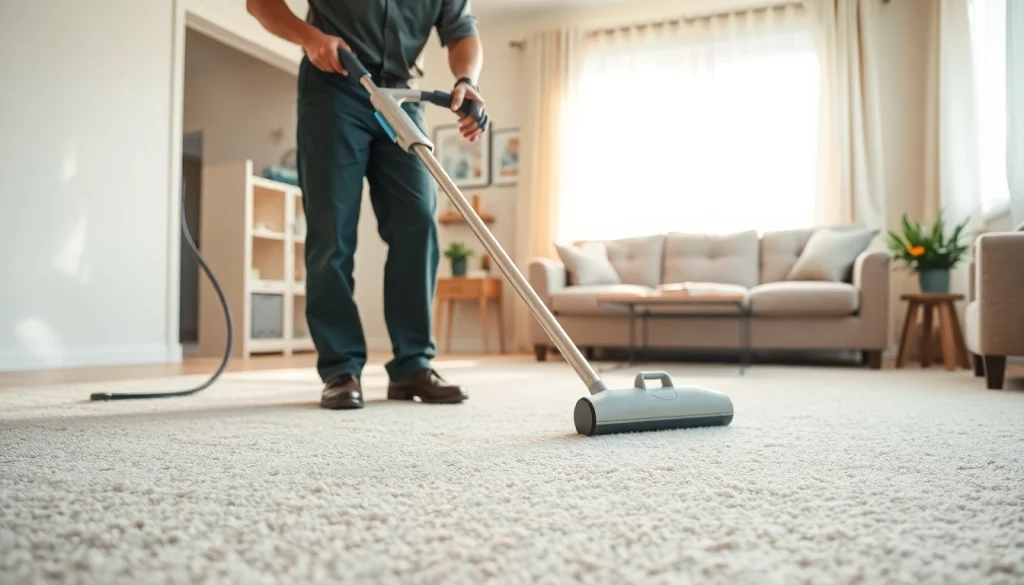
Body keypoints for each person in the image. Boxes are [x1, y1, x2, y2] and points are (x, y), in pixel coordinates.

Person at [247, 0, 486, 410]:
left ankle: (413, 364)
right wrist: (310, 37)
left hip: (403, 96)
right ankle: (341, 368)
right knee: (332, 229)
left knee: (418, 222)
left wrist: (467, 79)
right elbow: (259, 3)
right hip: (334, 87)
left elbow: (462, 30)